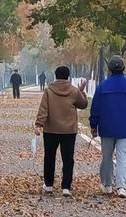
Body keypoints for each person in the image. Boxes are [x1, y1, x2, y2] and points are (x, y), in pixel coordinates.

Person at [90, 54, 126, 198]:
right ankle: (122, 187)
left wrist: (93, 125)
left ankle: (107, 185)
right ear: (124, 68)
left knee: (107, 156)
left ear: (110, 69)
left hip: (107, 127)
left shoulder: (102, 87)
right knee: (124, 157)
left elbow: (95, 108)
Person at [34, 65, 88, 196]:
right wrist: (81, 91)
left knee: (49, 157)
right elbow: (83, 104)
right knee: (68, 159)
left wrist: (39, 124)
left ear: (56, 76)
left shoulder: (49, 91)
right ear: (68, 76)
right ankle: (66, 187)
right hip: (69, 131)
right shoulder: (74, 91)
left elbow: (43, 109)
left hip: (51, 129)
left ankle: (48, 185)